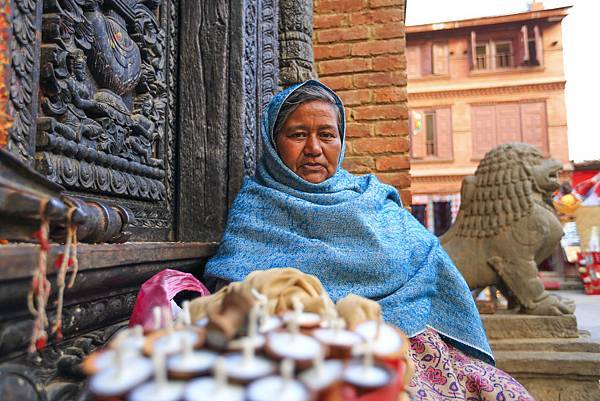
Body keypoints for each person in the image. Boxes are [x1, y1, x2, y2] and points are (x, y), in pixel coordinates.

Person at [204, 80, 533, 400]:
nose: (314, 148)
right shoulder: (257, 206)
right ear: (275, 142)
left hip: (413, 340)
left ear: (341, 140)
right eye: (298, 134)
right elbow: (234, 289)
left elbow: (430, 261)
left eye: (327, 135)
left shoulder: (373, 198)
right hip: (310, 356)